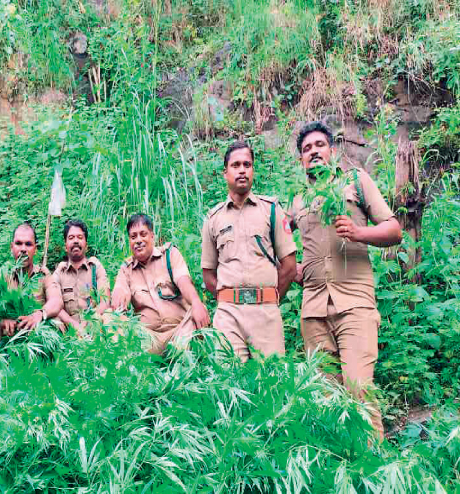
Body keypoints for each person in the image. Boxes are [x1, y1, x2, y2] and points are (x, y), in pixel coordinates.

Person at [288, 121, 402, 436]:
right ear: (301, 160)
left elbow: (394, 231)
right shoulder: (297, 199)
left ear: (332, 151)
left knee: (359, 390)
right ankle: (344, 474)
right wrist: (293, 270)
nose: (313, 152)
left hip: (355, 306)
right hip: (313, 312)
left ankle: (377, 474)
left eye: (319, 145)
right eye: (306, 149)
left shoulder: (355, 181)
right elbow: (278, 240)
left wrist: (359, 232)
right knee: (327, 402)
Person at [201, 141, 297, 361]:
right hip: (228, 316)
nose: (242, 170)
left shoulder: (271, 210)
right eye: (235, 165)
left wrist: (269, 299)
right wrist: (228, 299)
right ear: (225, 173)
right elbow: (208, 275)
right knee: (227, 383)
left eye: (247, 164)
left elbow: (290, 267)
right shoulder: (213, 219)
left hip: (266, 314)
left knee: (271, 383)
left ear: (253, 169)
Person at [112, 214, 210, 354]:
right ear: (129, 241)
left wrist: (196, 302)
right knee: (110, 317)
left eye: (143, 234)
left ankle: (181, 355)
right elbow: (120, 290)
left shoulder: (170, 255)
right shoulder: (126, 269)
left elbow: (183, 281)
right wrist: (119, 297)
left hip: (180, 332)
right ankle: (136, 363)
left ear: (152, 236)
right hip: (149, 339)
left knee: (199, 309)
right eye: (133, 237)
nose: (138, 240)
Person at [0, 223, 63, 347]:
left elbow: (56, 300)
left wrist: (40, 314)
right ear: (11, 247)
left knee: (57, 322)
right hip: (8, 336)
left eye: (28, 244)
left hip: (36, 334)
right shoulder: (2, 274)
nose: (23, 249)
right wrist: (1, 321)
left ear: (35, 249)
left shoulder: (43, 274)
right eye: (18, 243)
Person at [52, 219, 110, 333]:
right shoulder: (59, 272)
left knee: (110, 316)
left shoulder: (95, 267)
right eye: (71, 237)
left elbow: (105, 302)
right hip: (69, 333)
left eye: (80, 237)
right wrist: (74, 325)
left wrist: (89, 321)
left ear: (86, 245)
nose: (75, 241)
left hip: (95, 329)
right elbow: (54, 304)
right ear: (65, 246)